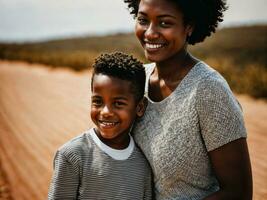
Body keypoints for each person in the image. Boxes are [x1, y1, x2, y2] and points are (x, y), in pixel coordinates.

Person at [124, 0, 253, 199]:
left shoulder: (209, 90)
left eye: (164, 23)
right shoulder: (136, 80)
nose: (149, 32)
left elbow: (238, 193)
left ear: (189, 27)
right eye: (143, 20)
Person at [48, 52, 153, 199]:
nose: (105, 112)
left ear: (140, 107)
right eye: (98, 101)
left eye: (118, 103)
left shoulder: (143, 165)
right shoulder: (72, 155)